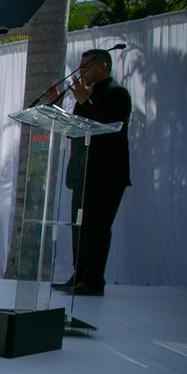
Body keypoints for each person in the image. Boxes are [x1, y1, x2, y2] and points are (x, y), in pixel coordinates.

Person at [58, 48, 132, 296]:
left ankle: (93, 281)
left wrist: (82, 101)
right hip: (82, 173)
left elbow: (105, 127)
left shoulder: (117, 94)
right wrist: (58, 108)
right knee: (79, 227)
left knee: (96, 228)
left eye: (87, 65)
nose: (82, 72)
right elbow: (77, 129)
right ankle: (79, 275)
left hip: (105, 175)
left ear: (103, 66)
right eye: (80, 66)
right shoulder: (85, 96)